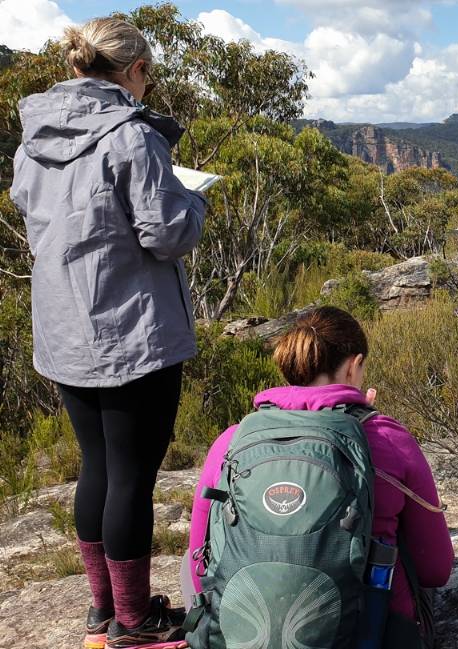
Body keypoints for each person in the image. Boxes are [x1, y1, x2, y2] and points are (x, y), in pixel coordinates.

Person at [9, 17, 206, 649]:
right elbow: (168, 233)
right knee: (131, 476)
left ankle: (104, 609)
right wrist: (193, 198)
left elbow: (32, 209)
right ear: (136, 70)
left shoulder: (33, 137)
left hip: (66, 327)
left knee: (97, 466)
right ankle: (134, 620)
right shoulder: (131, 136)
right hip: (130, 330)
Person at [186, 306, 454, 646]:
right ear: (355, 365)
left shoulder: (232, 441)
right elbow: (436, 568)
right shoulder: (387, 439)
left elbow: (201, 569)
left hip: (242, 633)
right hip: (365, 635)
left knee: (192, 555)